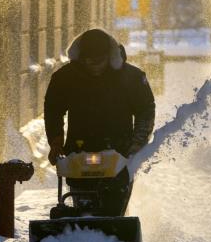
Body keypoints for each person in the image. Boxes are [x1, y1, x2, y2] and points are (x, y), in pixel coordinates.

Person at [44, 28, 155, 216]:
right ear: (80, 58)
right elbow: (53, 109)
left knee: (114, 210)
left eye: (99, 60)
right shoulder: (65, 78)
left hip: (120, 154)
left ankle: (114, 234)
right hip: (79, 153)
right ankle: (86, 235)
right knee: (83, 209)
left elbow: (146, 109)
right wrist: (55, 141)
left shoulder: (132, 78)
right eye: (88, 61)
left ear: (109, 56)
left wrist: (138, 142)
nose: (93, 66)